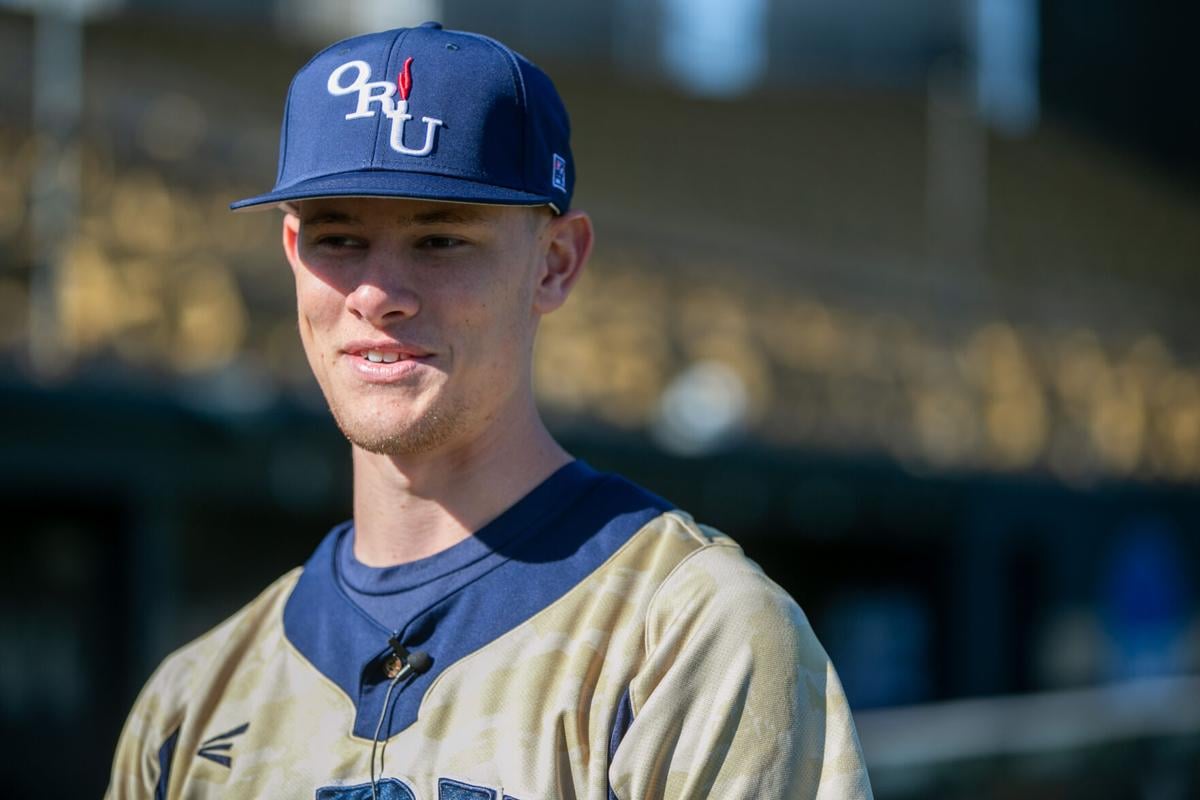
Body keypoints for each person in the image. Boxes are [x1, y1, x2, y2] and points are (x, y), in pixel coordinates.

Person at [105, 22, 873, 800]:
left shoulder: (688, 637)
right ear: (292, 253)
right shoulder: (191, 705)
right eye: (339, 240)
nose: (377, 295)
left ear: (555, 263)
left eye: (440, 241)